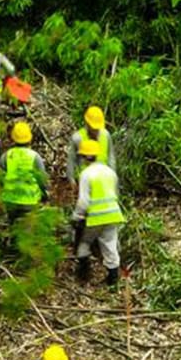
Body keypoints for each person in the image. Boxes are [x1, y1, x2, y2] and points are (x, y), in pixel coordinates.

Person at [72, 136, 125, 286]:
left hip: (96, 217)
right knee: (110, 244)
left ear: (86, 157)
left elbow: (83, 201)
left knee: (84, 242)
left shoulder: (86, 174)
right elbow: (115, 194)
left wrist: (76, 217)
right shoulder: (110, 172)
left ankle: (84, 275)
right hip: (114, 213)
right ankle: (113, 279)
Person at [2, 120, 48, 223]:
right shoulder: (35, 157)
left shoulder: (6, 156)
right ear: (30, 139)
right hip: (29, 201)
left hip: (10, 200)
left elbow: (1, 176)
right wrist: (45, 193)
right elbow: (42, 180)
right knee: (27, 231)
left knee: (13, 227)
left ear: (13, 138)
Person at [68, 105, 117, 182]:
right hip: (83, 181)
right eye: (93, 128)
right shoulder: (77, 138)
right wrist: (71, 180)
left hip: (103, 180)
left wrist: (113, 177)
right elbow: (71, 160)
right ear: (87, 124)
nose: (96, 131)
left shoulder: (106, 135)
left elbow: (111, 157)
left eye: (97, 128)